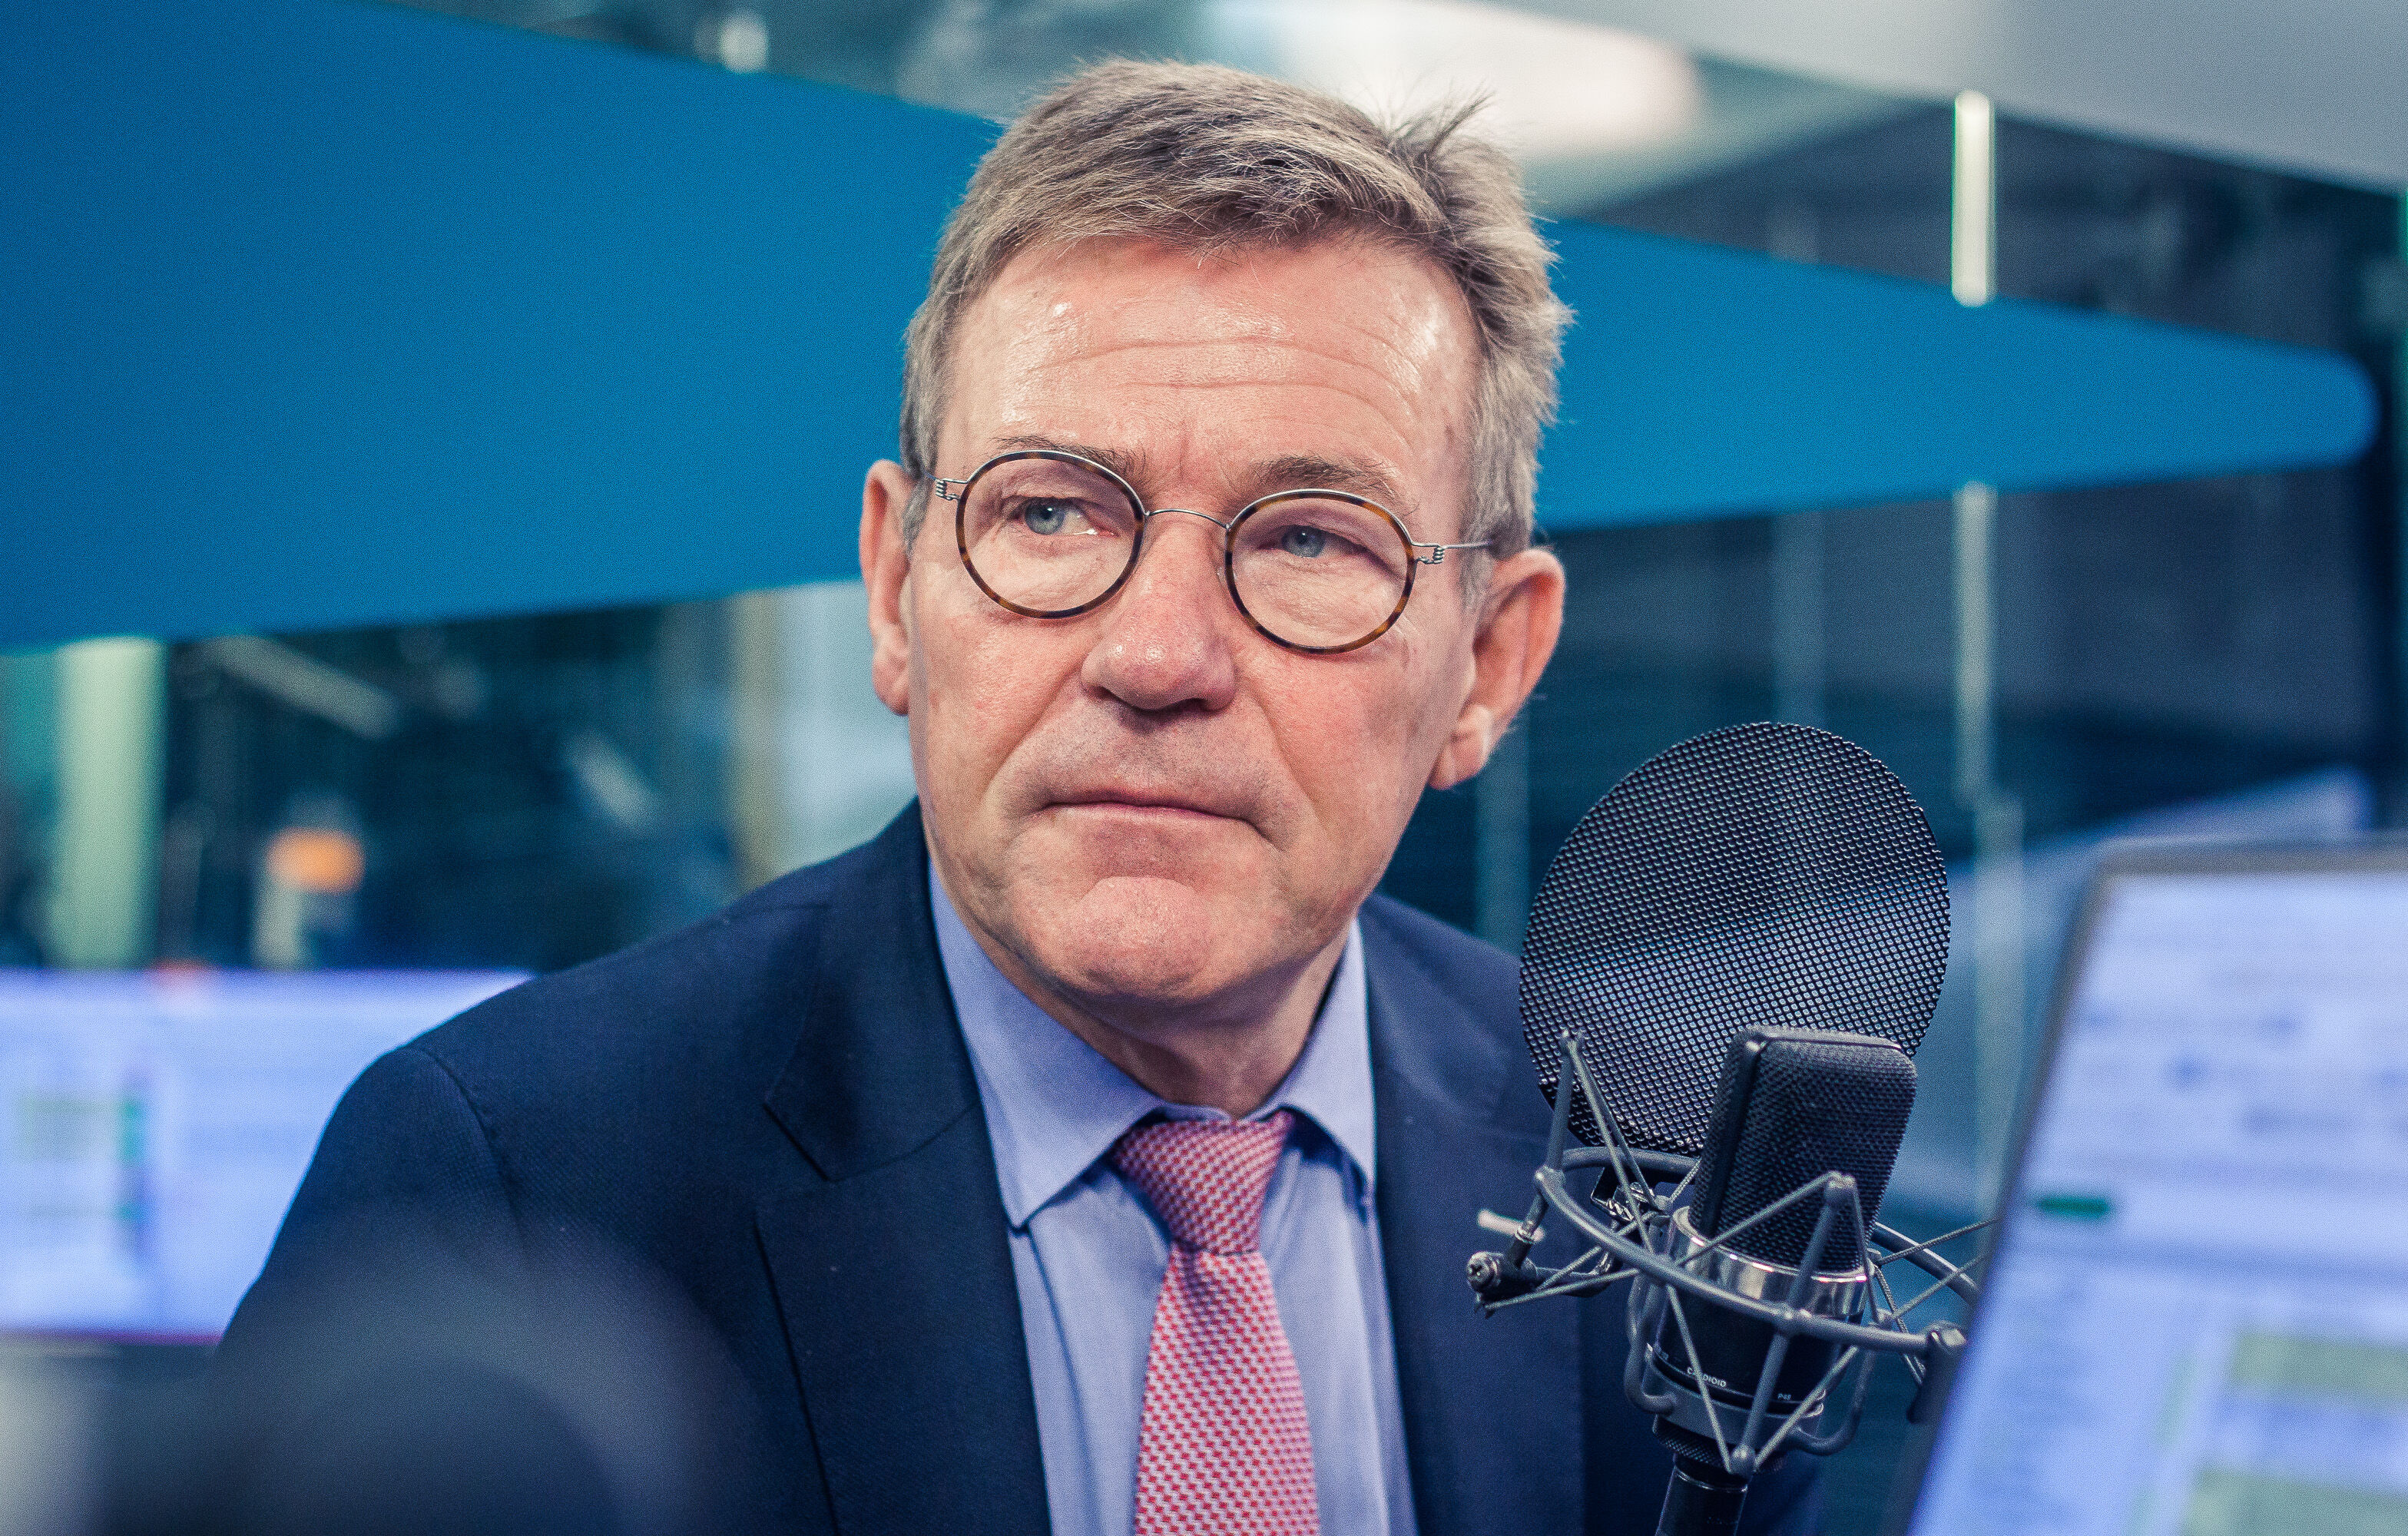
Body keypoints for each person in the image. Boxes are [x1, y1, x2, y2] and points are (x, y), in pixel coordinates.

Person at [217, 60, 1820, 1536]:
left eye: (1307, 540)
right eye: (1050, 513)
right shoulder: (508, 1192)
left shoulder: (1658, 1180)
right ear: (893, 586)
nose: (1156, 656)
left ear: (1485, 661)